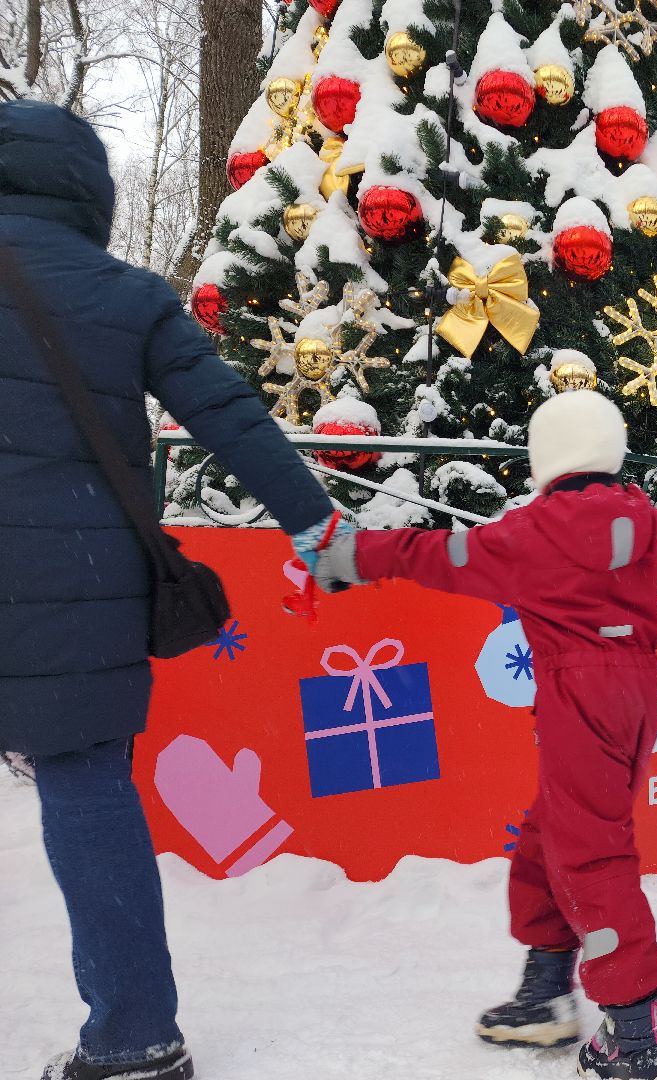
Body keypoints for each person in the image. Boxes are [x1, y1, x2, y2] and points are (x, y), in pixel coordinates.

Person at [310, 389, 657, 1080]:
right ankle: (547, 991)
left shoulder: (531, 530)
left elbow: (434, 553)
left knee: (590, 855)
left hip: (579, 693)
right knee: (552, 835)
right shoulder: (649, 522)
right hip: (638, 691)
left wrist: (351, 558)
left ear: (546, 455)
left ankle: (634, 1031)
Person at [0, 102, 337, 1080]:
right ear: (87, 193)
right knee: (88, 784)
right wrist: (316, 523)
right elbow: (230, 415)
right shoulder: (128, 296)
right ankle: (135, 1035)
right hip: (84, 585)